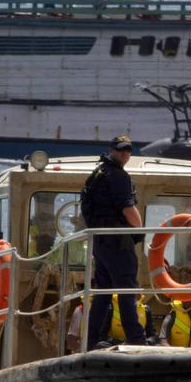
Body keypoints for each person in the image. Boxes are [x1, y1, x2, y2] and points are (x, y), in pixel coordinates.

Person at [83, 135, 145, 349]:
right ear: (111, 150)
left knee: (103, 292)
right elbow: (128, 208)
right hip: (117, 242)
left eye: (128, 150)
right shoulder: (118, 176)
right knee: (127, 288)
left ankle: (90, 340)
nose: (125, 154)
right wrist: (140, 231)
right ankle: (136, 338)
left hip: (100, 243)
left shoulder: (97, 174)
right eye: (121, 150)